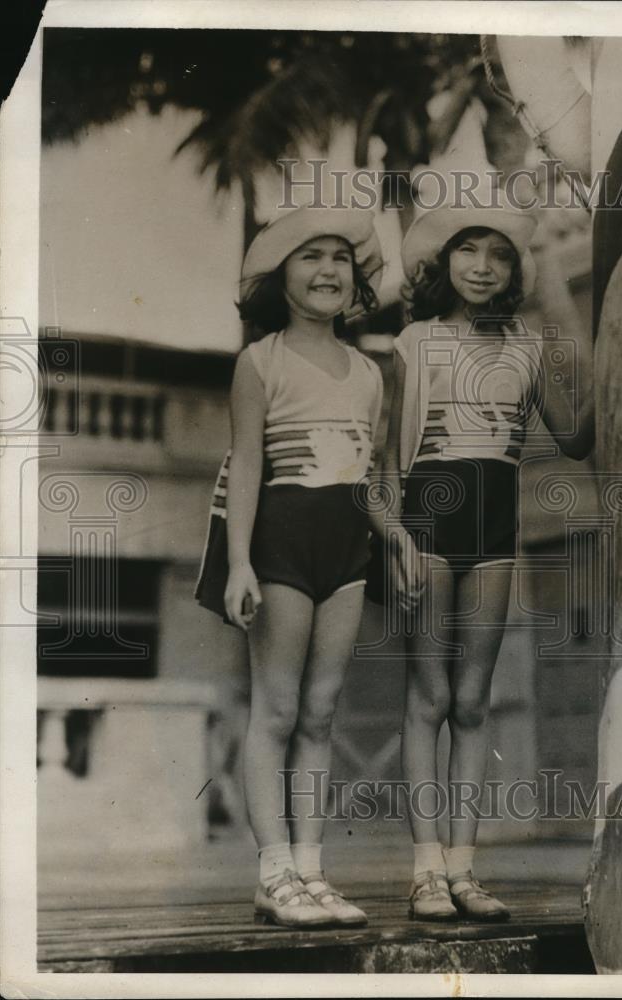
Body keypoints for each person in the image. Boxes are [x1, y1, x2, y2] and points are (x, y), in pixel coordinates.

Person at [377, 191, 594, 922]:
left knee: (472, 702)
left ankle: (464, 870)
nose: (483, 265)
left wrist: (606, 356)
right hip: (428, 523)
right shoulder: (414, 342)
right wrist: (398, 542)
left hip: (494, 530)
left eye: (500, 255)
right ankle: (424, 871)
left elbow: (576, 437)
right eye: (469, 250)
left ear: (514, 274)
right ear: (443, 262)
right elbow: (383, 464)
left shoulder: (527, 350)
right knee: (428, 698)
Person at [195, 204, 383, 928]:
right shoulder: (260, 361)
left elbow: (369, 478)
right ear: (281, 277)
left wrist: (389, 538)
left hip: (345, 549)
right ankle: (272, 872)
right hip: (279, 543)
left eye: (340, 256)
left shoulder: (368, 371)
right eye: (310, 257)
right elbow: (246, 465)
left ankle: (311, 869)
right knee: (275, 707)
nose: (329, 269)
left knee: (322, 708)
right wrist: (240, 561)